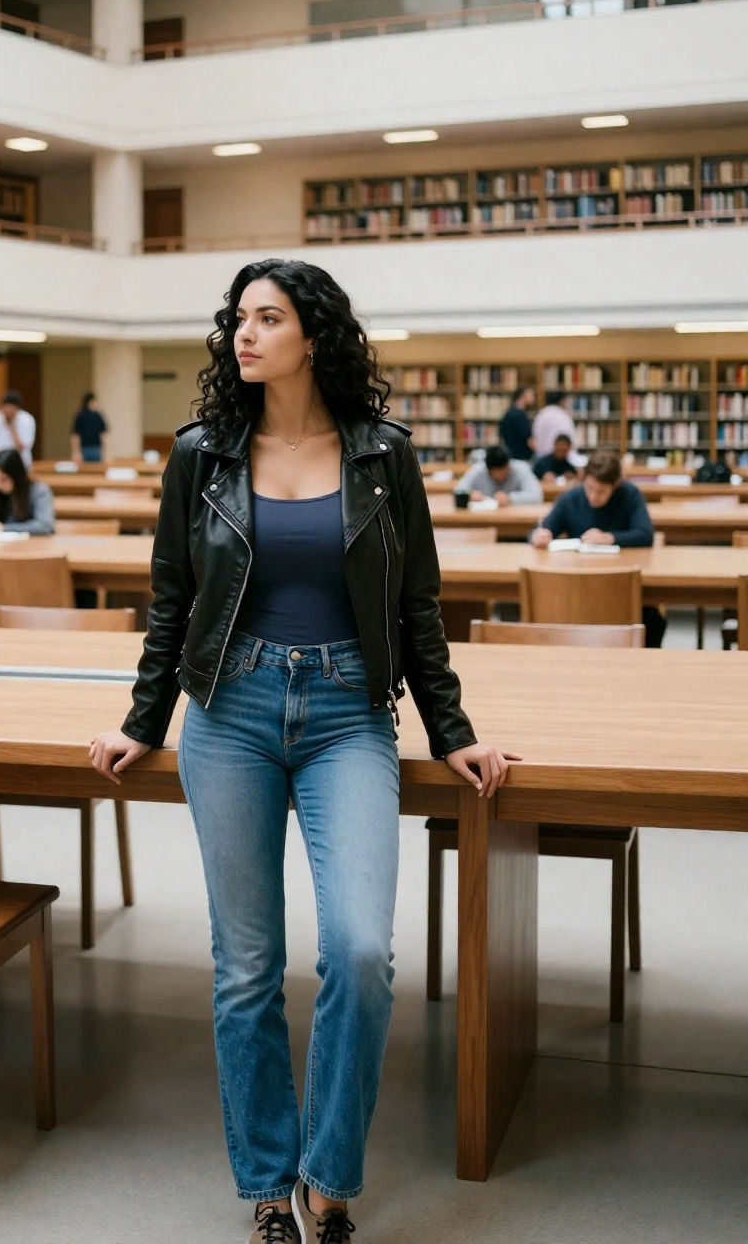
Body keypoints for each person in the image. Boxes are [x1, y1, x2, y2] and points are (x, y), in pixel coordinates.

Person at [89, 258, 518, 1244]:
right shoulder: (201, 453)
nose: (244, 334)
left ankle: (327, 1181)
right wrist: (140, 720)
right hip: (228, 708)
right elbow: (170, 603)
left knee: (360, 953)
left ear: (313, 337)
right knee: (246, 967)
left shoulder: (382, 456)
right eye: (237, 318)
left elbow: (416, 610)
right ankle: (265, 1184)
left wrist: (451, 731)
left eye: (267, 318)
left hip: (344, 713)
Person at [530, 449, 664, 646]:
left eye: (602, 491)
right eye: (589, 488)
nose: (593, 497)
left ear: (615, 485)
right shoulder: (571, 498)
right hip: (575, 589)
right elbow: (543, 529)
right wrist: (538, 536)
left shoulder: (630, 495)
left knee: (653, 621)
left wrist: (610, 537)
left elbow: (645, 534)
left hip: (620, 588)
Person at [454, 444, 542, 506]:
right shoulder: (478, 469)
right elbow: (459, 489)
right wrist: (469, 494)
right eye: (499, 472)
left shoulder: (521, 468)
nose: (504, 473)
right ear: (489, 470)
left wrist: (510, 498)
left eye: (506, 469)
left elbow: (536, 495)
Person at [0, 390, 36, 468]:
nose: (7, 410)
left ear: (17, 408)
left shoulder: (27, 420)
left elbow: (22, 447)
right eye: (5, 407)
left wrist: (11, 426)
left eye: (10, 407)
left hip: (21, 463)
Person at [532, 390, 576, 458]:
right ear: (562, 401)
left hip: (541, 456)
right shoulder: (563, 416)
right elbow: (569, 437)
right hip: (558, 457)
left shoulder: (541, 414)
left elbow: (535, 436)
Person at [498, 385, 535, 460]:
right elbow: (529, 438)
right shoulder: (519, 415)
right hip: (520, 457)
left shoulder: (509, 413)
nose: (534, 398)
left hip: (511, 455)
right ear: (523, 396)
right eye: (531, 395)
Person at [71, 392, 108, 463]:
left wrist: (76, 451)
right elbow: (104, 435)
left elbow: (75, 436)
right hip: (95, 449)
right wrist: (106, 451)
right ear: (91, 402)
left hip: (85, 448)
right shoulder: (98, 416)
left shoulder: (80, 416)